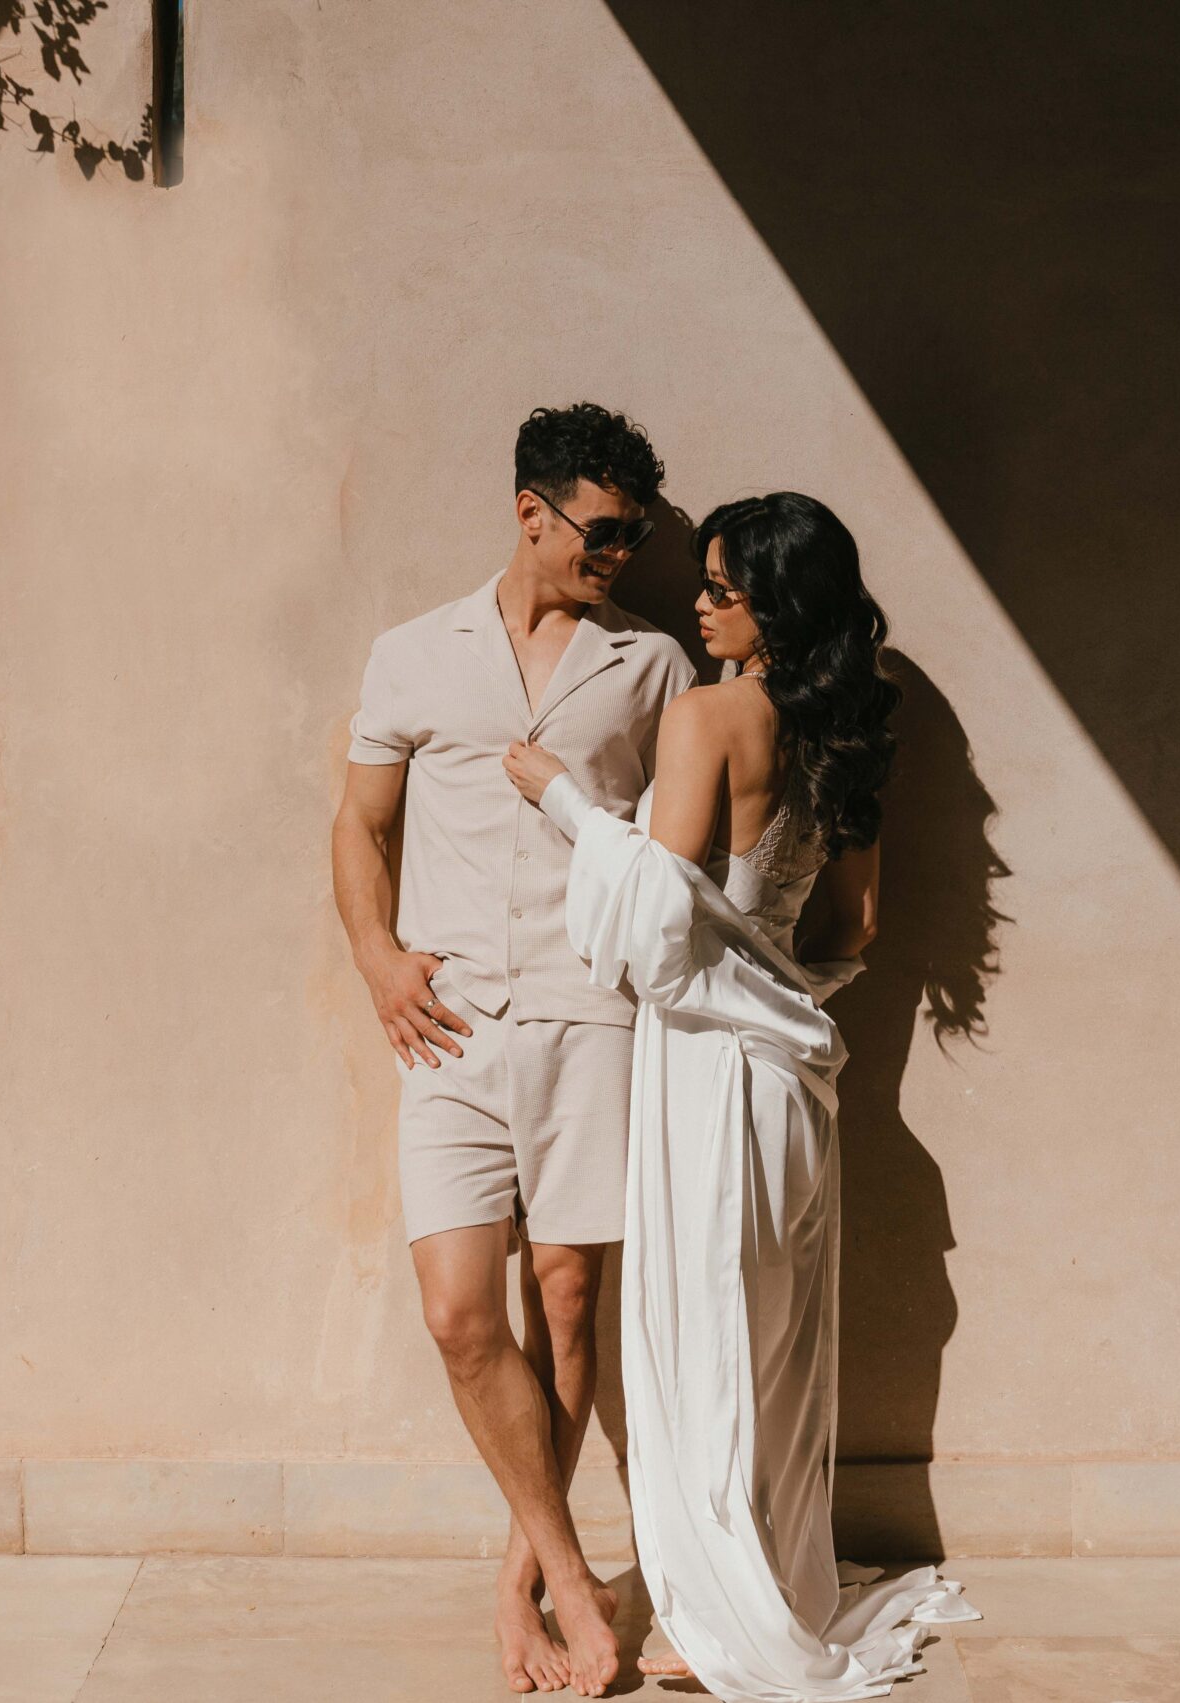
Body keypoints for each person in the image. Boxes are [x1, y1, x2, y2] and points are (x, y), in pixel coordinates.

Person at [503, 492, 976, 1701]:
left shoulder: (706, 714)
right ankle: (766, 1576)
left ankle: (720, 1618)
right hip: (794, 1080)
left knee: (702, 1333)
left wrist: (559, 795)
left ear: (772, 603)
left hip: (710, 1072)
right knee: (770, 1341)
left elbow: (658, 924)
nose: (698, 604)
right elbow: (855, 922)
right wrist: (779, 980)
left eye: (718, 586)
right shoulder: (852, 728)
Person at [332, 403, 694, 1696]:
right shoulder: (413, 653)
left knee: (571, 1302)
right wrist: (379, 961)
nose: (623, 552)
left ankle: (523, 1587)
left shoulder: (648, 664)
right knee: (456, 1313)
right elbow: (358, 827)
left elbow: (671, 845)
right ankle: (563, 1559)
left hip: (591, 1013)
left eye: (637, 534)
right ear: (532, 512)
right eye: (604, 528)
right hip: (450, 1026)